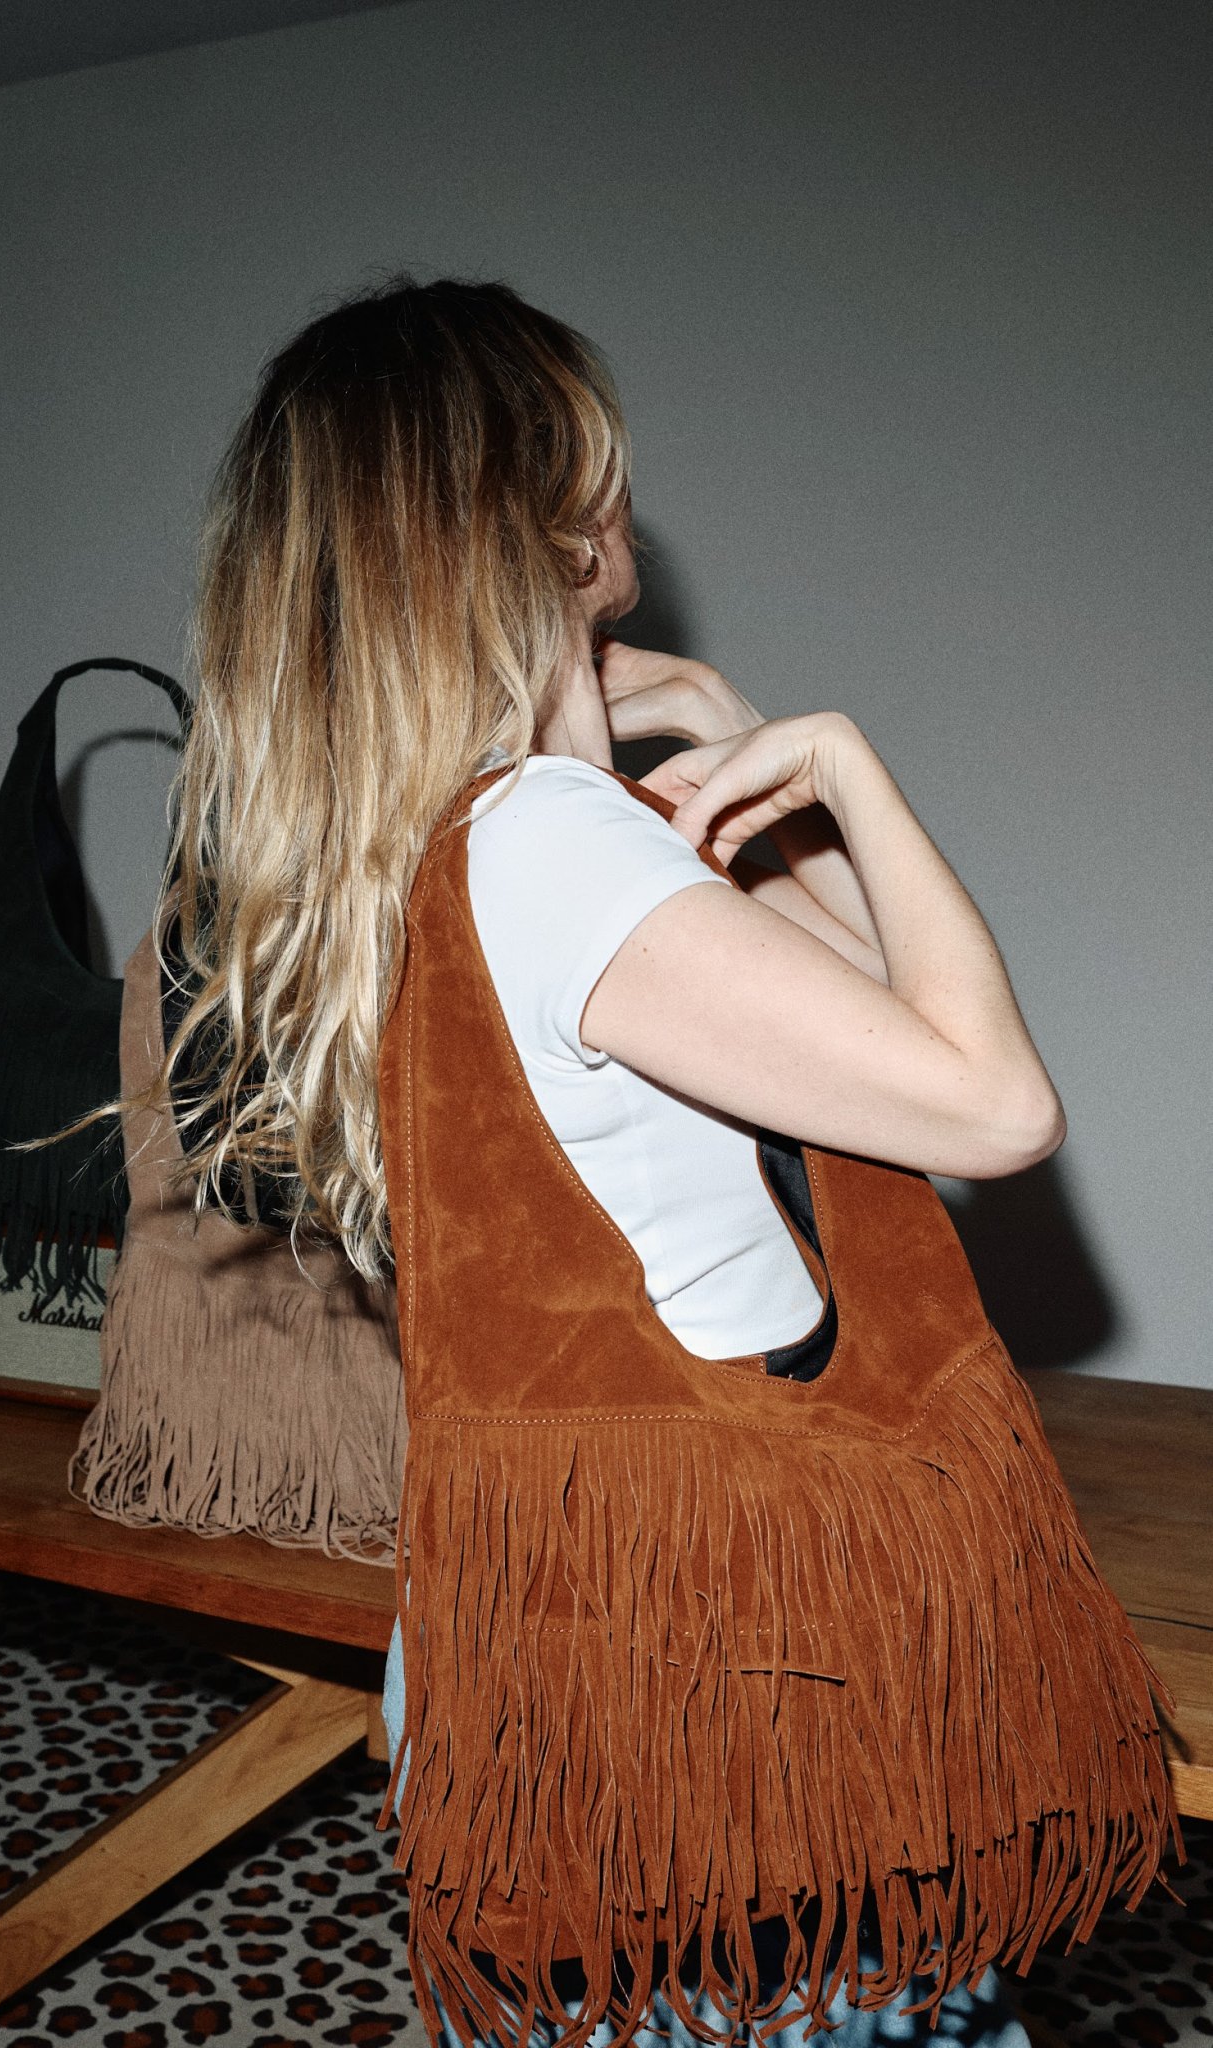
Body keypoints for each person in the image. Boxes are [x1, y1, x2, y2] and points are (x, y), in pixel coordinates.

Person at [156, 275, 1055, 2044]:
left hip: (578, 1621)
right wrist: (845, 765)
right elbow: (991, 1108)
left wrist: (718, 725)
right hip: (721, 1646)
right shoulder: (550, 843)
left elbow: (875, 1045)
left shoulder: (464, 840)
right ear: (547, 507)